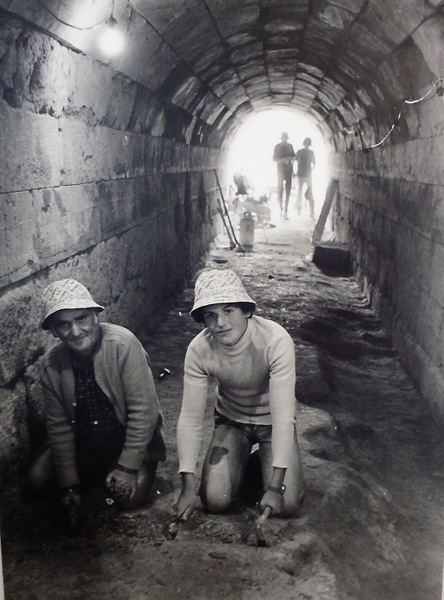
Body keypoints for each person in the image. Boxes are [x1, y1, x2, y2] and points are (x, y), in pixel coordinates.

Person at [28, 278, 166, 521]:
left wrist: (127, 468)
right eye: (64, 324)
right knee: (36, 483)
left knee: (128, 499)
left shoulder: (123, 345)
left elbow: (144, 413)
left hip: (127, 442)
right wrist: (69, 484)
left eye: (81, 318)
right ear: (55, 331)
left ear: (95, 316)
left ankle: (131, 468)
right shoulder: (51, 365)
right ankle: (89, 475)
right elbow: (59, 428)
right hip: (86, 445)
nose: (76, 331)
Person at [175, 269, 304, 522]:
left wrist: (276, 488)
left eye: (228, 311)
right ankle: (241, 460)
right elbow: (190, 419)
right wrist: (187, 486)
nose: (220, 323)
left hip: (272, 424)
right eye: (210, 315)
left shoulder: (275, 340)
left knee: (287, 504)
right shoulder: (199, 350)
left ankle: (261, 466)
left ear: (246, 310)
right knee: (214, 501)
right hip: (232, 420)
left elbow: (282, 417)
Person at [273, 132, 295, 219]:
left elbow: (294, 157)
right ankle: (281, 209)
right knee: (280, 190)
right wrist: (282, 161)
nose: (285, 140)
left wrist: (290, 159)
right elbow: (274, 159)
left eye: (286, 138)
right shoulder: (277, 147)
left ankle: (286, 210)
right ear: (281, 139)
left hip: (288, 170)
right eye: (284, 138)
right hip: (280, 171)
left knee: (288, 190)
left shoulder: (290, 146)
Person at [295, 137, 316, 217]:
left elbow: (294, 160)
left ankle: (300, 209)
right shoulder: (311, 152)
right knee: (309, 192)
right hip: (306, 175)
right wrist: (311, 170)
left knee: (300, 192)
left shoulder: (299, 152)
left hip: (301, 174)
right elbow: (314, 164)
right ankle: (311, 211)